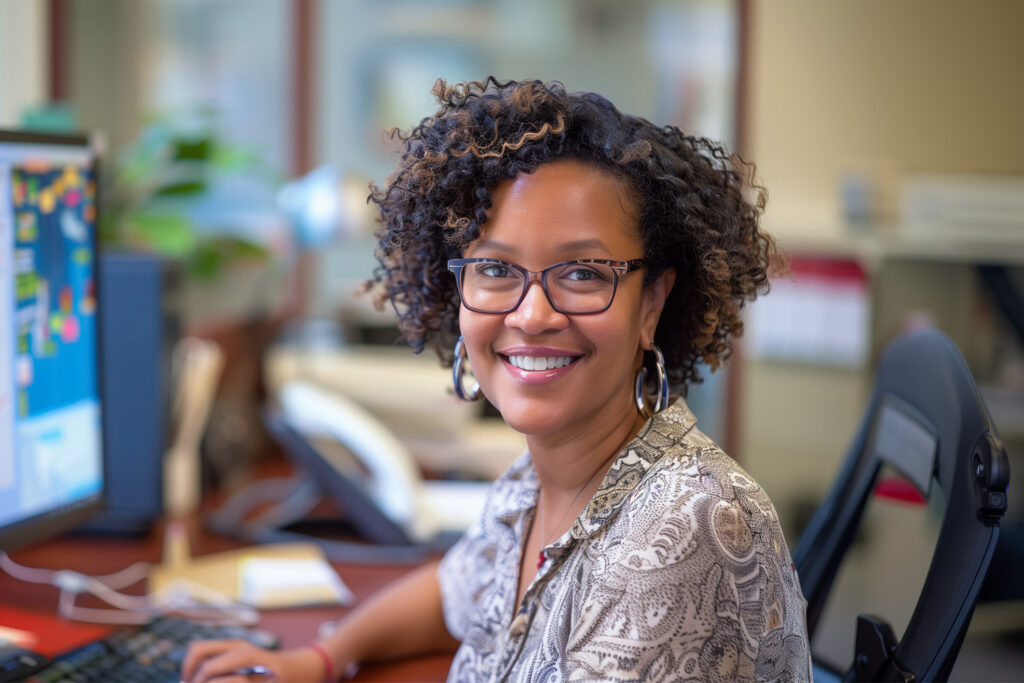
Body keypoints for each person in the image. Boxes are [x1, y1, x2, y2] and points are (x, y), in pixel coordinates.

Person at [182, 77, 811, 683]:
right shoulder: (533, 482)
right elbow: (452, 591)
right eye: (495, 269)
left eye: (584, 273)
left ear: (651, 304)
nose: (532, 314)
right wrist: (320, 659)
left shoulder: (687, 525)